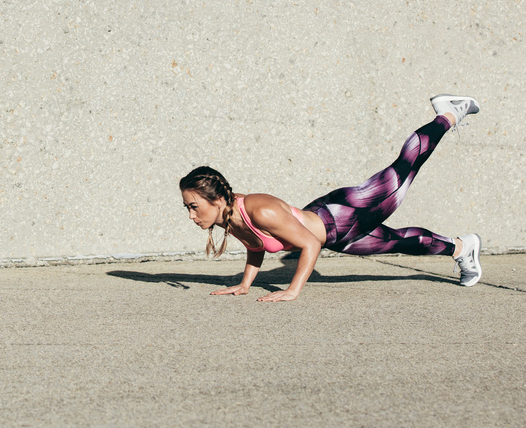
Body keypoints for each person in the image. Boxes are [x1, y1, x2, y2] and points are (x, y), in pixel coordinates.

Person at [179, 94, 483, 303]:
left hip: (346, 212)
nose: (192, 215)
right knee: (403, 242)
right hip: (338, 236)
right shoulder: (227, 216)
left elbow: (310, 244)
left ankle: (449, 113)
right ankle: (463, 247)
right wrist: (246, 284)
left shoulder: (260, 209)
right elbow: (255, 244)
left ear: (216, 200)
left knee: (404, 167)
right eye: (187, 208)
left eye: (194, 207)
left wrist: (292, 290)